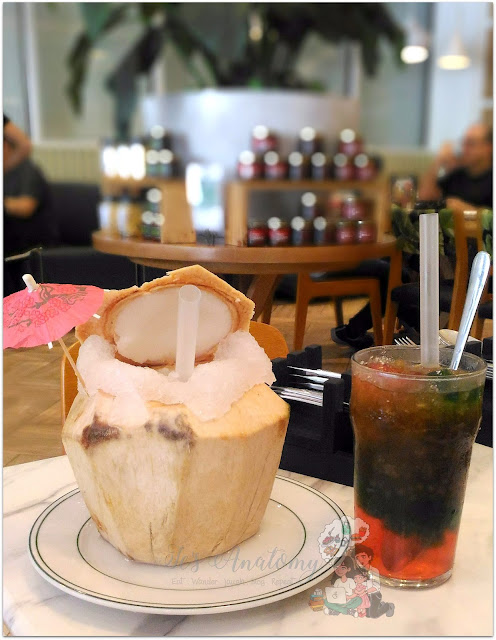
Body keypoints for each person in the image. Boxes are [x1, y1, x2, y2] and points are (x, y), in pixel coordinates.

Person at [332, 122, 493, 350]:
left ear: (488, 147)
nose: (464, 148)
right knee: (394, 268)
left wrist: (462, 207)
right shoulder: (459, 175)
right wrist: (438, 162)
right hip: (443, 255)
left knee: (392, 274)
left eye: (471, 144)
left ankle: (369, 330)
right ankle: (418, 332)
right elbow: (425, 195)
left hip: (478, 262)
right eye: (464, 143)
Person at [354, 544, 395, 618]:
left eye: (363, 556)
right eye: (357, 557)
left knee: (373, 615)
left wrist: (365, 591)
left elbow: (376, 587)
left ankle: (388, 606)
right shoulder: (359, 571)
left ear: (369, 557)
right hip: (365, 596)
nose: (361, 560)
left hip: (374, 595)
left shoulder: (374, 570)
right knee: (368, 615)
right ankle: (379, 605)